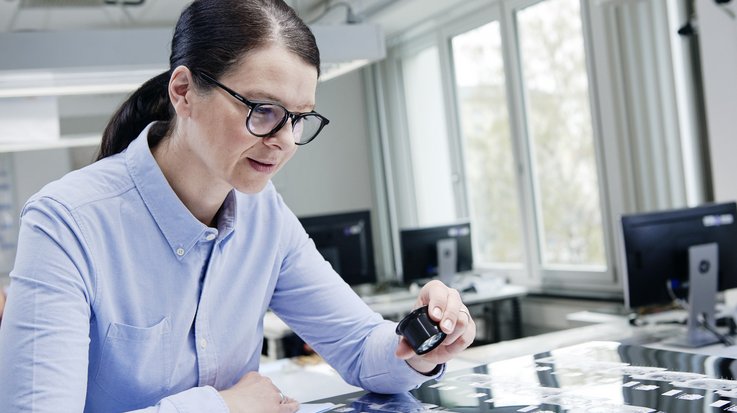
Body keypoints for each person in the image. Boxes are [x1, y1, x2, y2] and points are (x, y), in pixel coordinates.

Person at [0, 0, 476, 411]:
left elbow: (358, 347)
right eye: (262, 110)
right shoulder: (67, 222)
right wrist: (222, 407)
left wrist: (419, 346)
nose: (284, 141)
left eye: (299, 118)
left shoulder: (264, 216)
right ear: (183, 92)